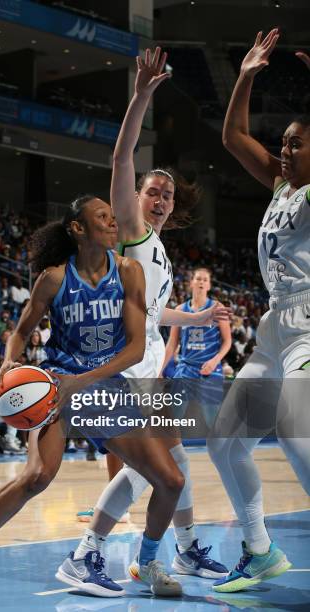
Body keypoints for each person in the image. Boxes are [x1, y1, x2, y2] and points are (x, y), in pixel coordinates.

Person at [0, 195, 186, 609]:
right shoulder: (52, 278)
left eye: (112, 214)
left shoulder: (129, 271)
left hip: (103, 385)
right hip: (56, 387)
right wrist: (10, 363)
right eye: (102, 216)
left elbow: (137, 349)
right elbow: (21, 330)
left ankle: (149, 562)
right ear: (78, 229)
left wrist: (81, 381)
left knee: (171, 480)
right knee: (37, 477)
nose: (113, 220)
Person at [70, 47, 229, 588]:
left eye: (166, 195)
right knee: (151, 474)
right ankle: (90, 551)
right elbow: (120, 160)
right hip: (127, 371)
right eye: (152, 192)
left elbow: (156, 313)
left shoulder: (157, 250)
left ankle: (181, 548)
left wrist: (197, 317)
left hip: (147, 368)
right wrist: (139, 98)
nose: (160, 199)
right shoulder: (133, 233)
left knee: (173, 468)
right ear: (135, 199)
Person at [207, 29, 310, 593]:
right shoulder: (280, 186)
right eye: (286, 142)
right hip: (275, 325)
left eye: (298, 143)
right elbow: (234, 135)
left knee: (298, 435)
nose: (287, 150)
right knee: (225, 440)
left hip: (309, 326)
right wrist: (245, 74)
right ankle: (260, 550)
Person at [162, 267, 232, 428]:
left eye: (205, 280)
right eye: (198, 279)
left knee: (212, 420)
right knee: (173, 418)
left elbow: (227, 341)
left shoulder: (218, 308)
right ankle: (172, 452)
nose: (201, 282)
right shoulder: (180, 310)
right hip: (185, 367)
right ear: (191, 283)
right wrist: (160, 369)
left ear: (209, 286)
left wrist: (215, 361)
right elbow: (172, 343)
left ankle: (222, 451)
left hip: (210, 368)